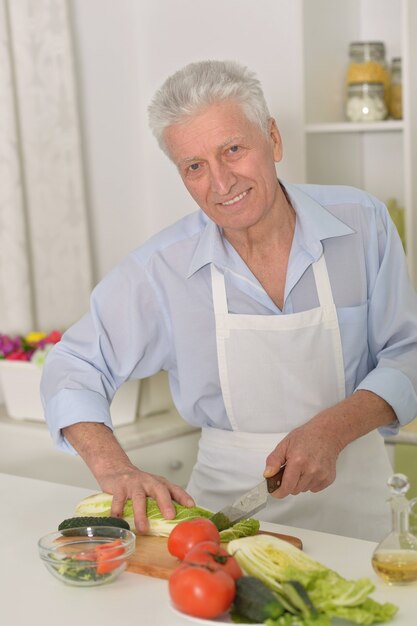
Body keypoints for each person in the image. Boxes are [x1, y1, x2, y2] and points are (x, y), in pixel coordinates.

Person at [41, 60, 417, 541]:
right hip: (225, 527)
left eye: (233, 150)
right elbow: (72, 365)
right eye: (195, 166)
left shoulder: (362, 223)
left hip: (358, 513)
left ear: (273, 140)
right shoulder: (161, 269)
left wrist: (334, 429)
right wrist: (114, 469)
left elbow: (407, 353)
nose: (221, 183)